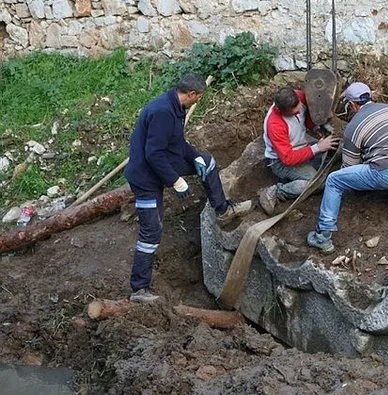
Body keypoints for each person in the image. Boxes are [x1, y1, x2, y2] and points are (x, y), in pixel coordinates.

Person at [124, 73, 254, 303]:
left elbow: (177, 143)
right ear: (191, 94)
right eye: (199, 97)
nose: (198, 101)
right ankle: (139, 289)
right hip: (145, 178)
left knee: (208, 162)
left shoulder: (176, 108)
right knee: (151, 232)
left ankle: (222, 210)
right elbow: (153, 154)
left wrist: (195, 157)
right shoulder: (162, 112)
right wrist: (175, 180)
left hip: (161, 163)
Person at [307, 82, 388, 253]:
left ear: (352, 105)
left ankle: (323, 236)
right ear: (371, 97)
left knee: (334, 181)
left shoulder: (354, 126)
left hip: (387, 174)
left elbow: (349, 166)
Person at [257, 86, 339, 215]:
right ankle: (277, 191)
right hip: (281, 162)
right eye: (293, 113)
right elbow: (288, 158)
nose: (298, 111)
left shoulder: (298, 96)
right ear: (279, 110)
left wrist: (317, 127)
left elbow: (307, 115)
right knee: (317, 183)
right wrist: (318, 148)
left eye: (299, 107)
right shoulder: (275, 125)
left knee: (337, 149)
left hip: (302, 148)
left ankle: (312, 169)